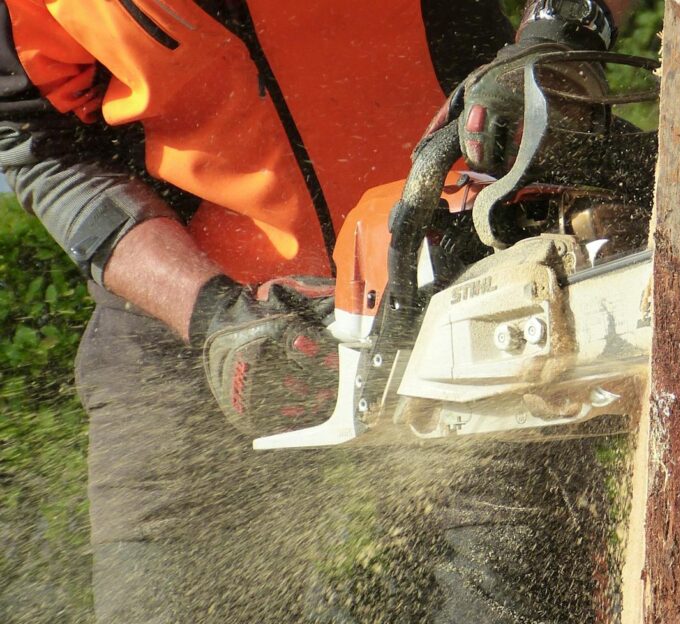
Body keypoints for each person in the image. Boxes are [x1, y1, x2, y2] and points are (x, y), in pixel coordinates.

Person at [0, 0, 633, 621]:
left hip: (467, 249)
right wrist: (210, 313)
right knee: (167, 599)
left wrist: (561, 31)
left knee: (516, 588)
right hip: (193, 302)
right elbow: (34, 139)